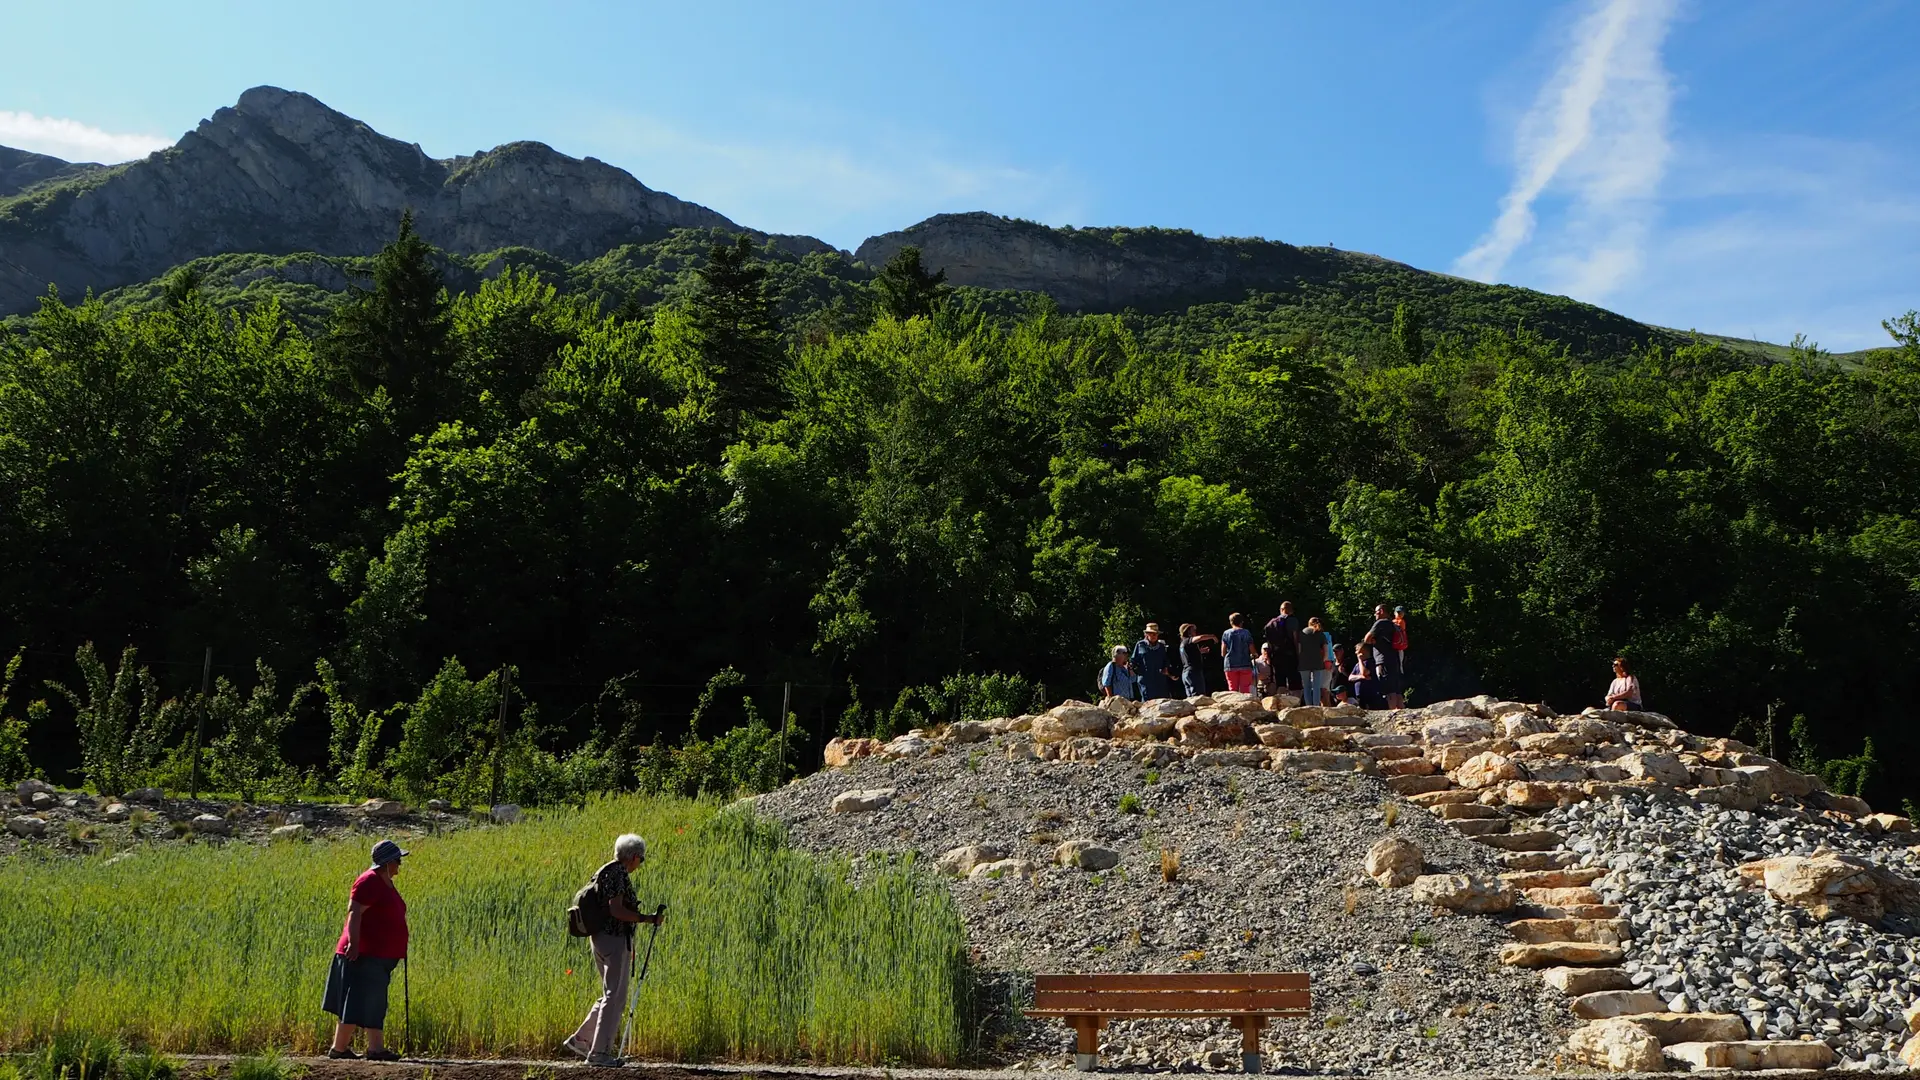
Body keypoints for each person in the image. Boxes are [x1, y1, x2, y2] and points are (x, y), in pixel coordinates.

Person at [566, 833, 667, 1066]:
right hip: (613, 939)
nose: (640, 864)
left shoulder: (605, 870)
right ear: (633, 857)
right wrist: (647, 918)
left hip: (600, 938)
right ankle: (599, 1054)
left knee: (609, 994)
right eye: (641, 859)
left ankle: (582, 1040)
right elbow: (616, 910)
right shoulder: (618, 874)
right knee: (616, 997)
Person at [325, 840, 411, 1061]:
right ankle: (359, 1049)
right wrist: (354, 944)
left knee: (368, 1000)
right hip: (364, 953)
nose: (399, 865)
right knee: (360, 1000)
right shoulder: (369, 881)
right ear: (388, 862)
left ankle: (351, 1048)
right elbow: (354, 912)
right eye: (398, 861)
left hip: (378, 955)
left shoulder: (384, 882)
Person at [1362, 603, 1404, 710]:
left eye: (1376, 612)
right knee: (1396, 689)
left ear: (1381, 611)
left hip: (1383, 659)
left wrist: (1373, 640)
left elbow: (1366, 639)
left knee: (1388, 688)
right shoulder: (1392, 624)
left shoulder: (1380, 623)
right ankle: (1401, 711)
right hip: (1395, 658)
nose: (1374, 614)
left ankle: (1392, 713)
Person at [1130, 623, 1177, 700]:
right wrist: (1136, 671)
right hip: (1145, 679)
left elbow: (1165, 660)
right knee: (1147, 702)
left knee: (1162, 701)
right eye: (1152, 633)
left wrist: (1165, 668)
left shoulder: (1161, 646)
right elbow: (1133, 661)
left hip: (1160, 679)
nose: (1154, 635)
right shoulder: (1140, 645)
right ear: (1146, 634)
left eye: (1156, 633)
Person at [1262, 602, 1302, 692]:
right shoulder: (1293, 620)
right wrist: (1298, 655)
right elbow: (1295, 639)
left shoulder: (1271, 623)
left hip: (1276, 656)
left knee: (1280, 681)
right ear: (1291, 610)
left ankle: (1281, 701)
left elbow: (1268, 642)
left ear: (1281, 610)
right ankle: (1294, 702)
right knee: (1294, 681)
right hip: (1290, 655)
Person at [1298, 616, 1330, 706]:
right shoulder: (1321, 634)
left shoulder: (1302, 632)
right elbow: (1326, 650)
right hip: (1317, 662)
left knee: (1306, 686)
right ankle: (1316, 705)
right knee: (1316, 686)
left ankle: (1308, 705)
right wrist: (1323, 659)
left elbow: (1299, 649)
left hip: (1304, 662)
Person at [1220, 613, 1255, 694]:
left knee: (1232, 689)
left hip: (1230, 664)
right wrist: (1254, 654)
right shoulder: (1246, 632)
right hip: (1245, 663)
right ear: (1241, 622)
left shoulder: (1226, 633)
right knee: (1245, 689)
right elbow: (1251, 647)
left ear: (1231, 622)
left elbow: (1223, 652)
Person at [1178, 623, 1209, 697]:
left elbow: (1189, 655)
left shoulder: (1183, 643)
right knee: (1198, 697)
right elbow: (1200, 637)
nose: (1195, 632)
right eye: (1193, 630)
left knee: (1190, 698)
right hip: (1193, 672)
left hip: (1186, 673)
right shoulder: (1188, 640)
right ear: (1188, 632)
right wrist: (1212, 636)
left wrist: (1200, 651)